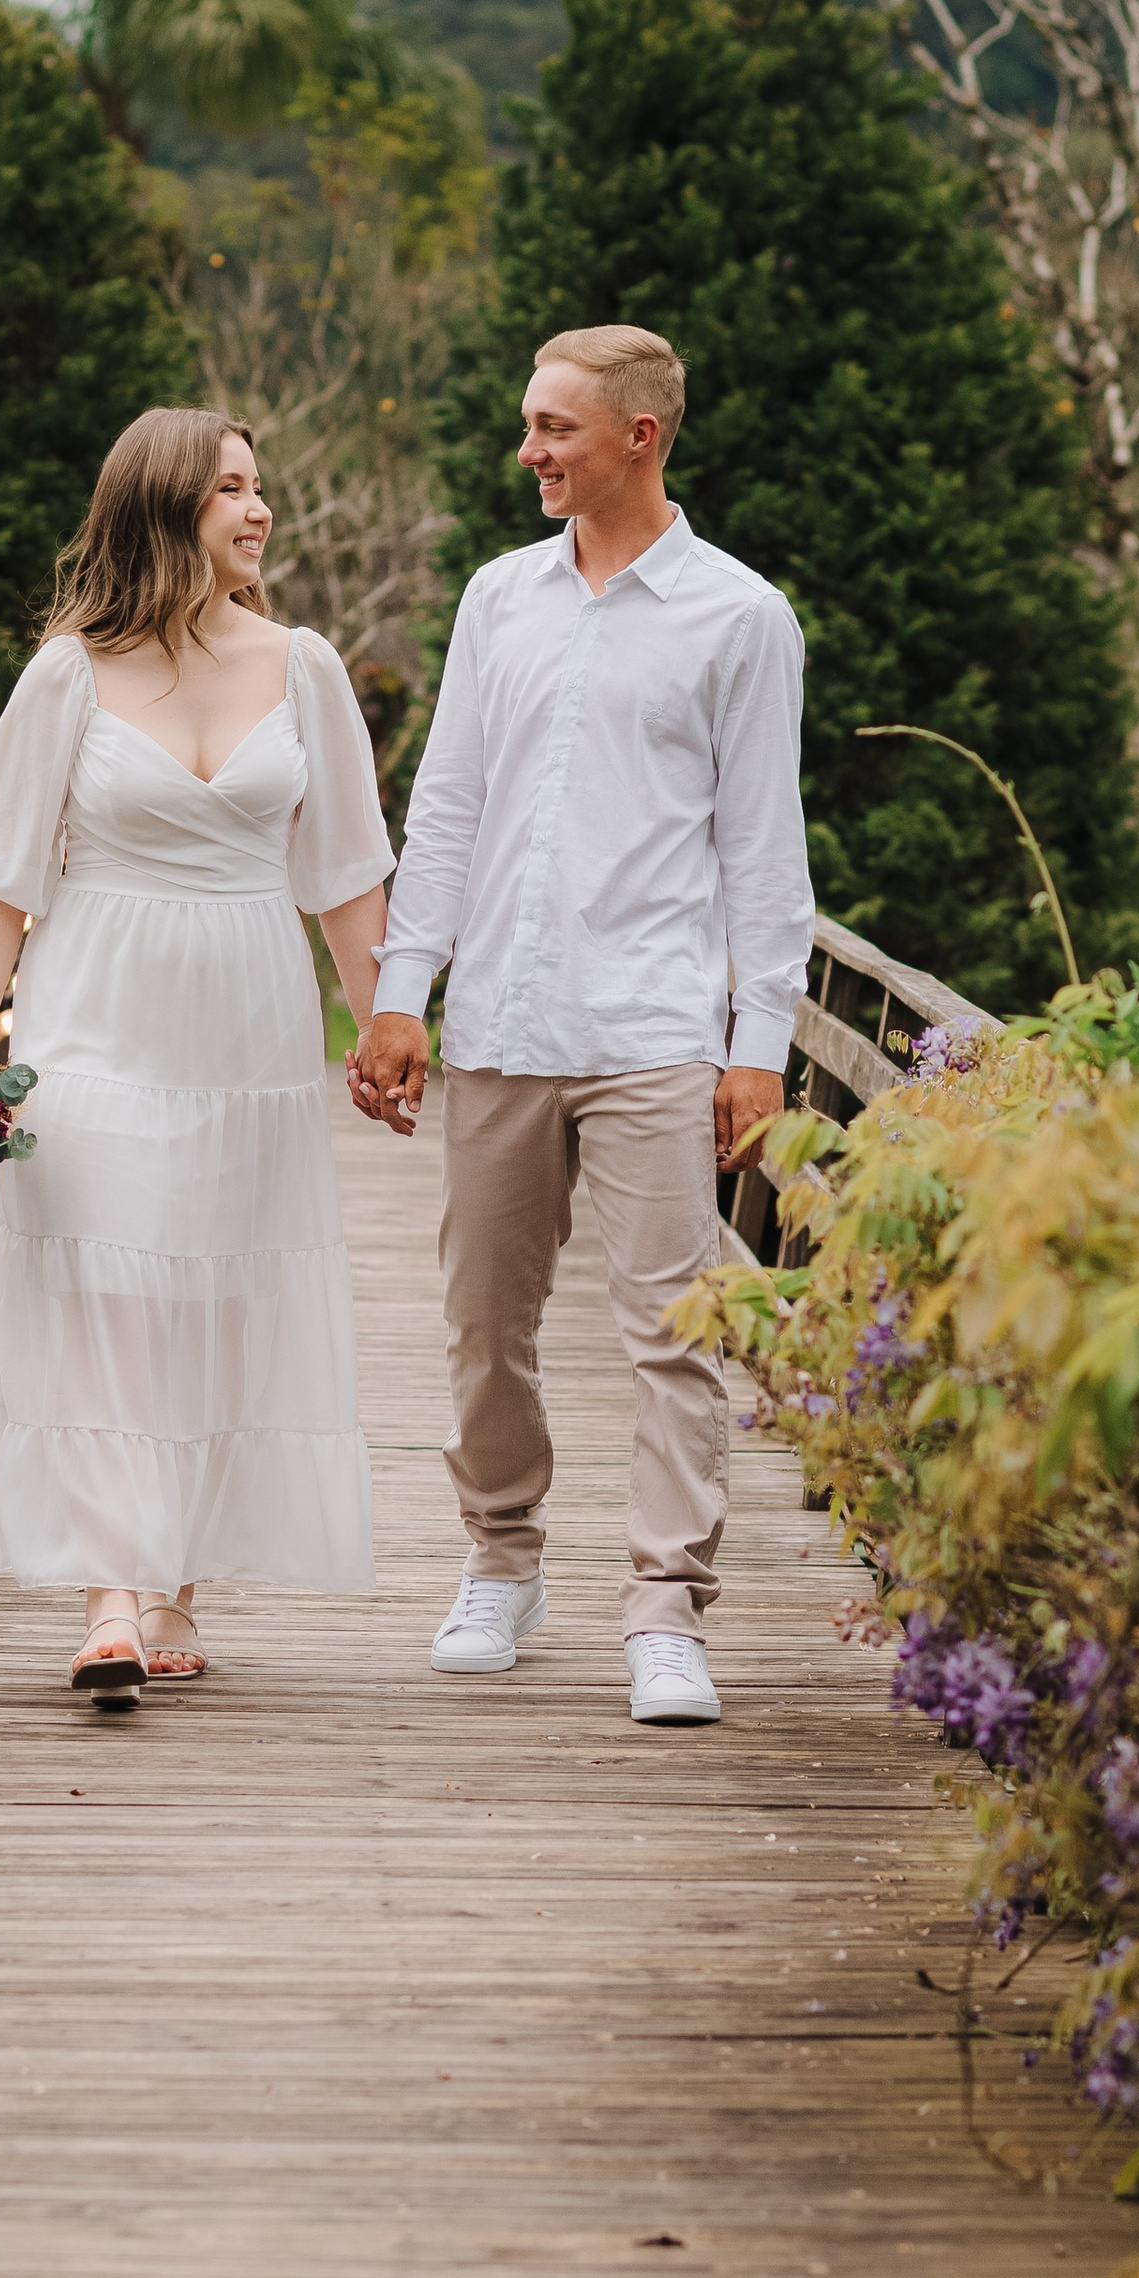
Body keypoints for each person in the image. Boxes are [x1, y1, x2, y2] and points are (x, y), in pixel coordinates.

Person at [349, 325, 812, 1729]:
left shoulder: (742, 618)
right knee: (485, 1321)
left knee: (674, 1329)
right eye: (530, 425)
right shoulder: (501, 600)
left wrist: (761, 1042)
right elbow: (447, 809)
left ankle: (667, 1609)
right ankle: (501, 1560)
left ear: (639, 438)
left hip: (655, 1027)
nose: (530, 451)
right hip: (501, 1017)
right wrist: (396, 993)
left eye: (555, 428)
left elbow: (761, 847)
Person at [0, 408, 410, 1706]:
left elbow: (345, 877)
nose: (258, 512)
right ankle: (109, 1595)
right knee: (107, 1288)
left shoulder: (303, 665)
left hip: (249, 1031)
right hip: (92, 1015)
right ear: (161, 509)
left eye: (260, 488)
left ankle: (180, 1579)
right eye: (228, 491)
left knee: (212, 1290)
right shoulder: (68, 676)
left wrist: (385, 1027)